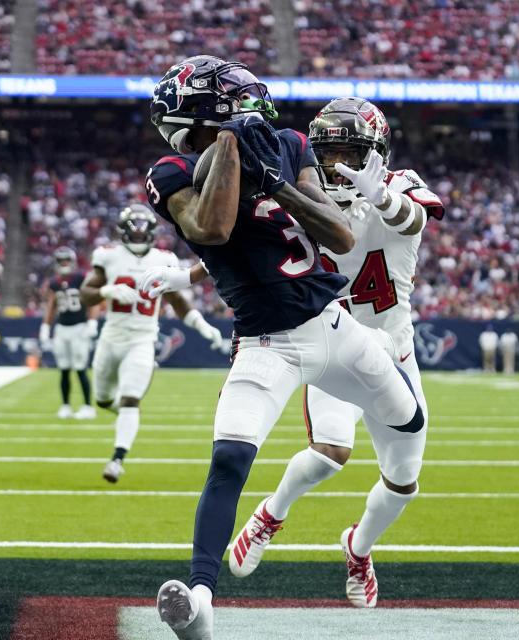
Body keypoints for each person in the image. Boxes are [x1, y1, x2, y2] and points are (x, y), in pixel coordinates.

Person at [142, 58, 423, 639]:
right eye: (231, 96)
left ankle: (348, 539)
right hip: (265, 344)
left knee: (409, 422)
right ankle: (199, 601)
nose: (250, 100)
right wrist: (228, 150)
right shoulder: (171, 172)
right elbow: (213, 229)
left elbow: (339, 234)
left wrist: (276, 180)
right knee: (229, 460)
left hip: (338, 328)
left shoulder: (288, 144)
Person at [226, 97, 444, 608]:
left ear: (377, 151)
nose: (338, 163)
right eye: (329, 153)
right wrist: (188, 274)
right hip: (336, 338)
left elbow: (414, 221)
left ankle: (358, 549)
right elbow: (259, 241)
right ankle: (269, 516)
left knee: (403, 481)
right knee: (332, 452)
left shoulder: (397, 184)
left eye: (352, 151)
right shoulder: (306, 193)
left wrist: (378, 196)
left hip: (395, 345)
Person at [79, 204, 227, 484]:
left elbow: (176, 300)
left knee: (131, 397)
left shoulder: (164, 259)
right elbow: (85, 294)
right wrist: (106, 290)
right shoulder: (108, 257)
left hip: (142, 338)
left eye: (141, 233)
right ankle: (124, 412)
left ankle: (117, 460)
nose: (137, 238)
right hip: (111, 337)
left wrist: (201, 324)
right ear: (122, 232)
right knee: (103, 399)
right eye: (132, 233)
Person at [40, 247, 98, 419]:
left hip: (79, 327)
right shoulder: (54, 282)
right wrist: (46, 326)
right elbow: (52, 305)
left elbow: (93, 299)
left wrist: (92, 322)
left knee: (80, 368)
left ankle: (88, 406)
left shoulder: (81, 278)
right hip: (62, 328)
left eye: (66, 260)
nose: (64, 264)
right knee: (64, 368)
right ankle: (65, 405)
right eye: (61, 261)